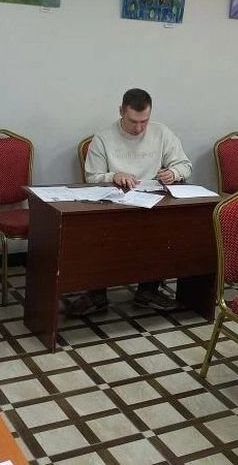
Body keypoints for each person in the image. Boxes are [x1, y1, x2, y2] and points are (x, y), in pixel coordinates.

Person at [74, 88, 193, 315]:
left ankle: (148, 291)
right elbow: (92, 177)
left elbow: (185, 165)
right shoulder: (103, 138)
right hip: (114, 205)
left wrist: (174, 173)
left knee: (168, 229)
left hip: (152, 202)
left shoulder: (162, 133)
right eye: (133, 121)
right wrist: (113, 176)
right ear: (121, 111)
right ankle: (96, 293)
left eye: (144, 121)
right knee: (98, 232)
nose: (138, 128)